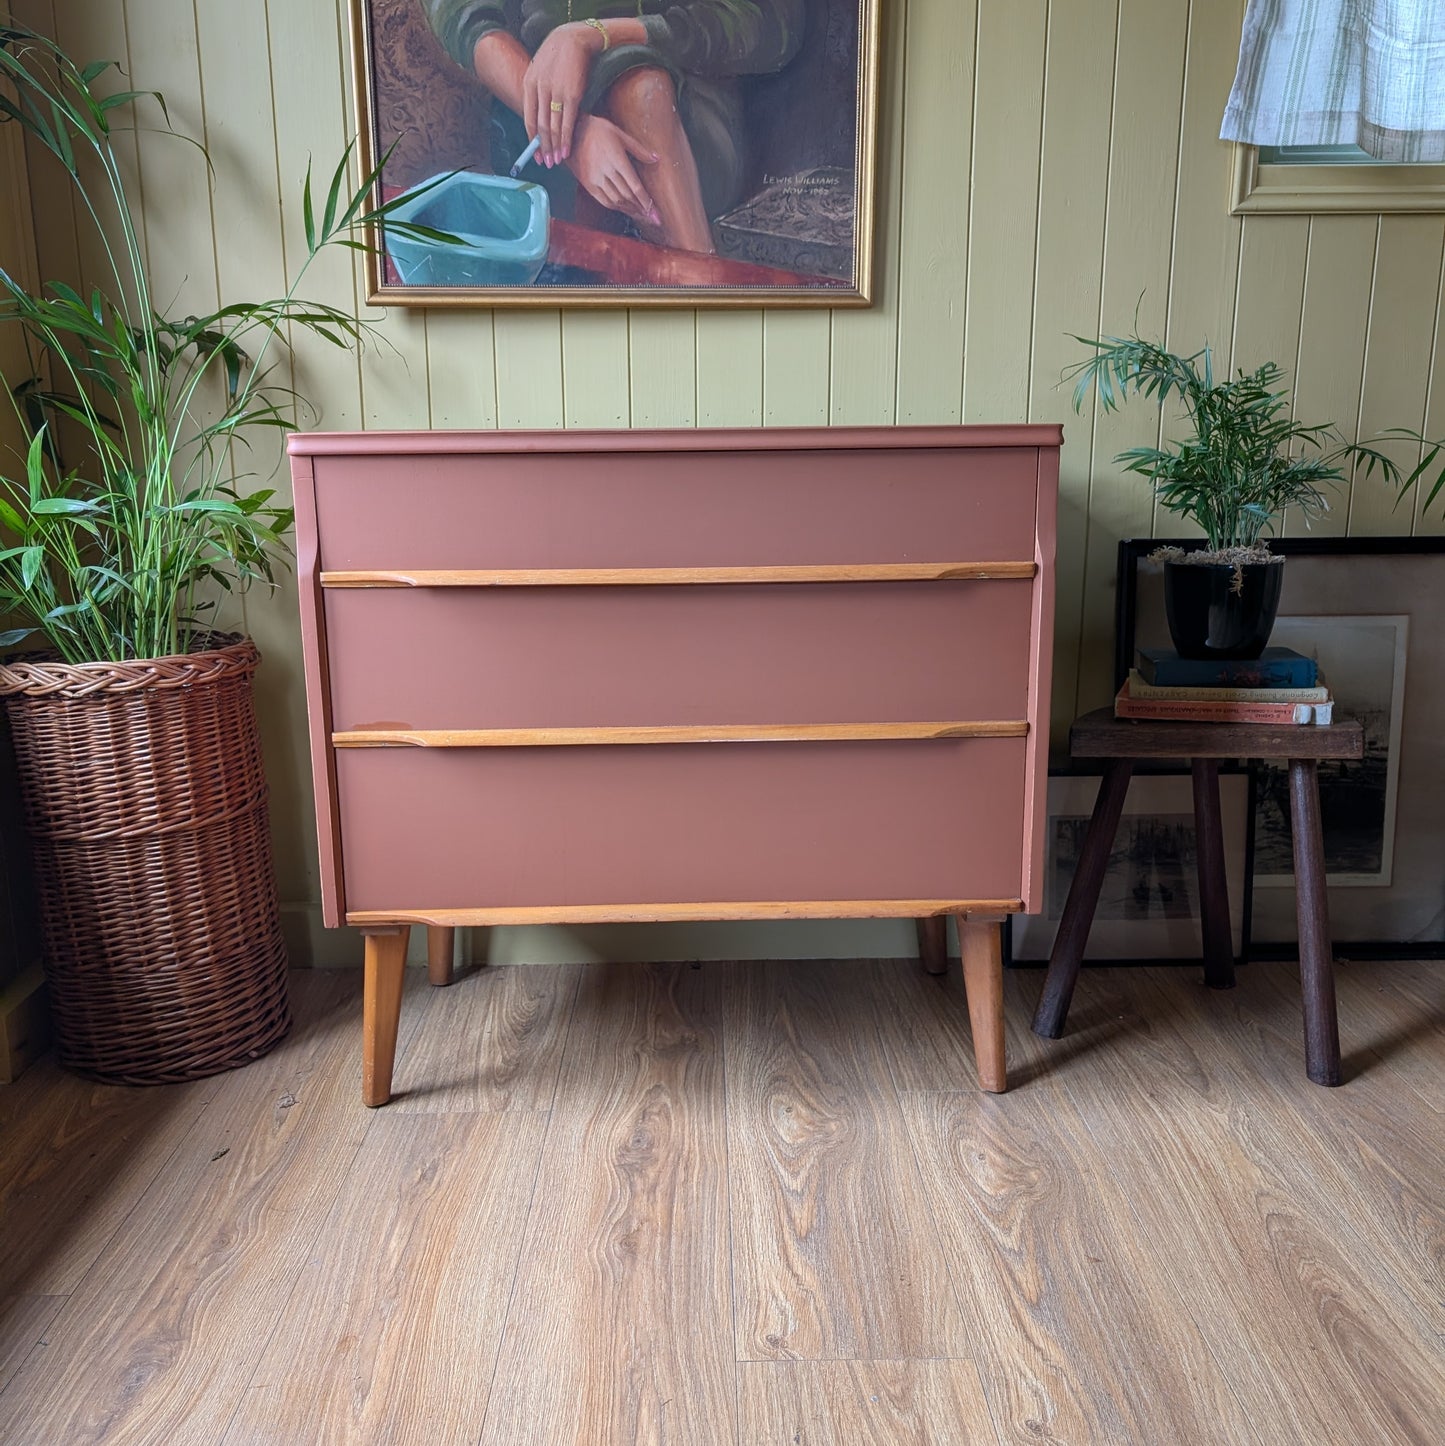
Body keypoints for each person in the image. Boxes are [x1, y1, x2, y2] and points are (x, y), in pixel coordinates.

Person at [422, 0, 804, 253]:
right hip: (535, 128)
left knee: (642, 90)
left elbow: (772, 22)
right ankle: (704, 295)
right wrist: (572, 135)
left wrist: (591, 36)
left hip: (686, 131)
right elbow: (468, 20)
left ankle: (700, 285)